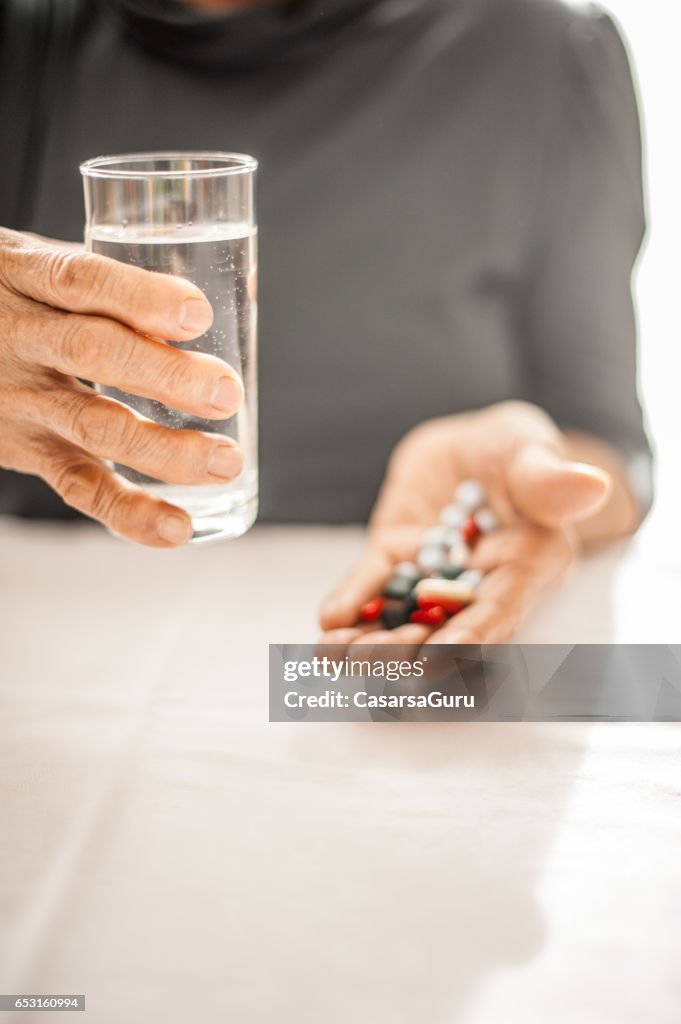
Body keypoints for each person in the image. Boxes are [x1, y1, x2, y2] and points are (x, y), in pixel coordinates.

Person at [0, 0, 652, 644]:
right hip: (67, 642)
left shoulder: (536, 48)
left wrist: (510, 497)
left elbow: (613, 458)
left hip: (334, 639)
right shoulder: (25, 40)